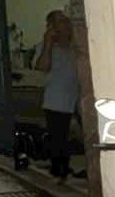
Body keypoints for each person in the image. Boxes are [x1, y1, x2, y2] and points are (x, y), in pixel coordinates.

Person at [33, 10, 80, 182]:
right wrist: (48, 43)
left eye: (66, 20)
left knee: (77, 138)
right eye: (60, 21)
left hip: (77, 100)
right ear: (51, 27)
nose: (65, 24)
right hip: (56, 102)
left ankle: (65, 170)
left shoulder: (76, 48)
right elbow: (42, 67)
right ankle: (59, 172)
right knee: (59, 140)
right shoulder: (45, 47)